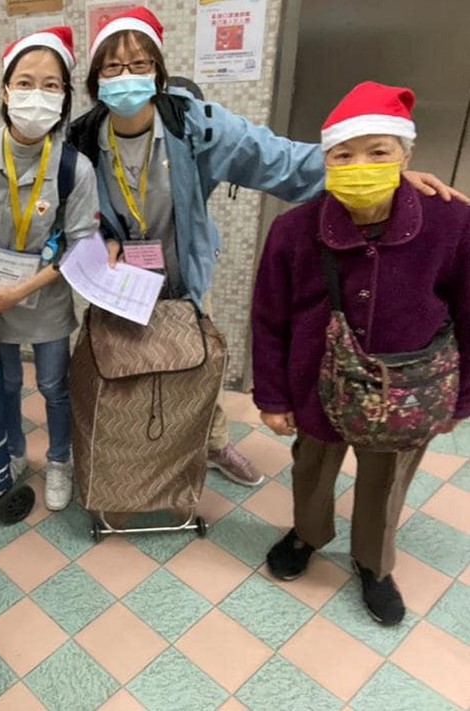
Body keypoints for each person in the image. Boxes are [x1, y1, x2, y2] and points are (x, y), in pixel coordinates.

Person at [67, 6, 468, 489]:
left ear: (158, 70)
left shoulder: (192, 124)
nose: (125, 77)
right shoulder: (82, 139)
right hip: (121, 280)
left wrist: (370, 169)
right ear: (95, 79)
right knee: (124, 364)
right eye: (112, 67)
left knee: (197, 362)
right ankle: (138, 451)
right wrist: (102, 239)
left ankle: (212, 442)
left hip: (184, 271)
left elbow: (279, 159)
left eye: (139, 64)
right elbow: (72, 209)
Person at [253, 82, 470, 625]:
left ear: (406, 156)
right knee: (311, 469)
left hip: (407, 391)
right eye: (344, 155)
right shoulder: (292, 231)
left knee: (387, 479)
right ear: (326, 160)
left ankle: (373, 563)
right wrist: (273, 396)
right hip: (314, 385)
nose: (361, 166)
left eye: (379, 152)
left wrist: (460, 399)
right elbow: (269, 318)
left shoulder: (451, 224)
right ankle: (308, 534)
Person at [0, 27, 99, 510]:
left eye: (51, 85)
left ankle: (59, 460)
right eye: (25, 82)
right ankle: (15, 453)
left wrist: (21, 291)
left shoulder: (74, 168)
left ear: (64, 97)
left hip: (45, 299)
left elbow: (78, 246)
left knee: (54, 386)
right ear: (5, 91)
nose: (37, 95)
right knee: (6, 383)